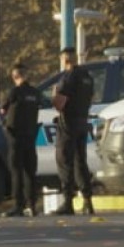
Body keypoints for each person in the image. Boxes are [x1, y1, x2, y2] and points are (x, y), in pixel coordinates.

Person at [51, 45, 97, 216]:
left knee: (65, 162)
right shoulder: (87, 77)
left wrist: (54, 94)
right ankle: (87, 201)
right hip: (82, 121)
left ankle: (68, 202)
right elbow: (91, 99)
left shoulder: (68, 77)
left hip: (68, 124)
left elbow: (59, 103)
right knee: (80, 162)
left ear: (64, 59)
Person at [1, 63, 44, 216]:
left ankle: (18, 205)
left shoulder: (14, 92)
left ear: (14, 77)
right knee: (30, 172)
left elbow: (3, 109)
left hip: (15, 136)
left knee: (16, 171)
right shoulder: (35, 93)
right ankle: (32, 205)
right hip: (30, 135)